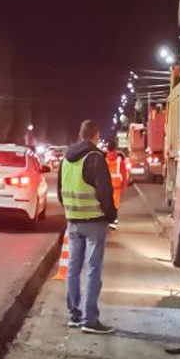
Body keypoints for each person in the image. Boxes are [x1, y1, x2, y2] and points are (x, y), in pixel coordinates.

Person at [57, 119, 118, 334]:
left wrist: (71, 211)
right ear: (95, 135)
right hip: (93, 222)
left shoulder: (66, 159)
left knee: (73, 269)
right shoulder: (94, 158)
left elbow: (60, 192)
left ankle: (75, 315)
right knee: (93, 270)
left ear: (79, 134)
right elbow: (105, 192)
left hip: (73, 221)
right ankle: (90, 320)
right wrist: (111, 216)